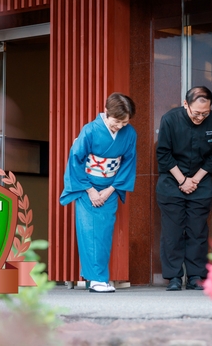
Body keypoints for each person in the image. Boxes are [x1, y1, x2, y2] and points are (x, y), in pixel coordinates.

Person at [60, 93, 137, 293]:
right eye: (117, 121)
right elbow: (75, 160)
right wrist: (91, 190)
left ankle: (98, 277)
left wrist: (110, 190)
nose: (120, 126)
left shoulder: (130, 134)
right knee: (89, 233)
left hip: (111, 188)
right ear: (106, 112)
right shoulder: (90, 130)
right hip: (87, 187)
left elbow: (128, 163)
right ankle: (96, 280)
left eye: (125, 122)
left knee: (103, 234)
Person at [156, 86, 212, 291]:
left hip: (200, 182)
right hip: (171, 182)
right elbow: (163, 154)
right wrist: (182, 181)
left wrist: (194, 180)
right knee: (172, 231)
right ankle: (174, 277)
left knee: (198, 231)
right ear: (186, 104)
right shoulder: (170, 120)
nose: (201, 117)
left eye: (205, 113)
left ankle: (196, 276)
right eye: (196, 113)